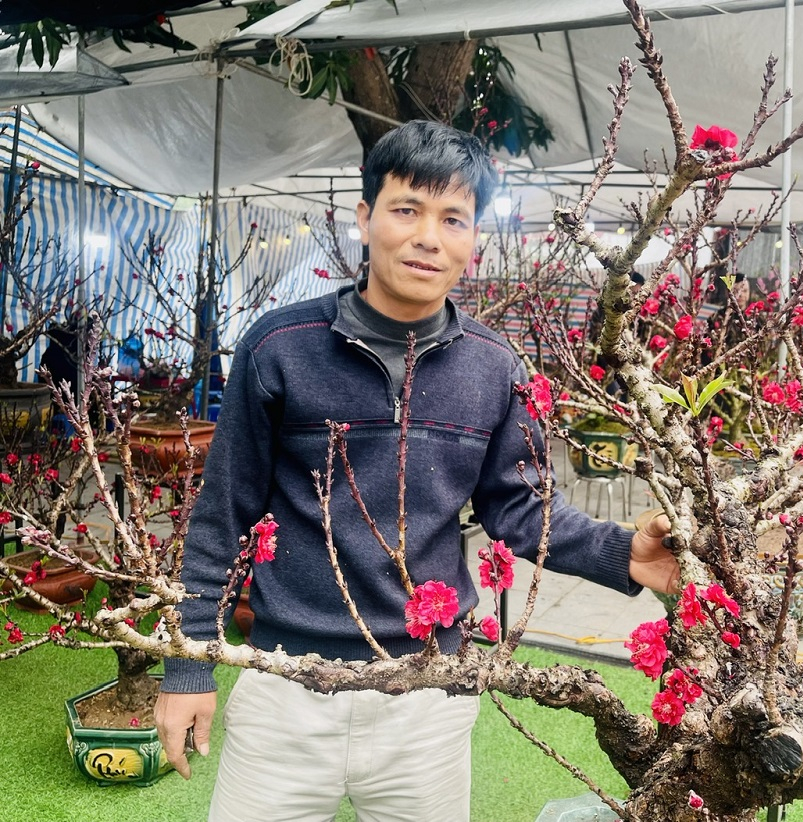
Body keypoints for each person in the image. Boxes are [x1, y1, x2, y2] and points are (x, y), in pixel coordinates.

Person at [154, 120, 680, 822]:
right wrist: (189, 664)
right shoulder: (280, 348)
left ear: (475, 239)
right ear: (366, 219)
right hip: (285, 689)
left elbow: (519, 508)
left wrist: (627, 554)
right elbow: (224, 512)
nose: (429, 237)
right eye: (407, 209)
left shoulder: (493, 368)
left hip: (426, 699)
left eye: (453, 218)